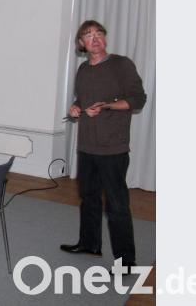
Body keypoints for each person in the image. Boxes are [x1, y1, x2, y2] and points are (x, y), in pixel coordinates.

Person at [60, 20, 146, 269]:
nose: (94, 38)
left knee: (117, 205)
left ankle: (126, 262)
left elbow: (138, 99)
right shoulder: (83, 70)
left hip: (113, 148)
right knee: (88, 197)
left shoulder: (122, 64)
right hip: (87, 146)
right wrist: (76, 107)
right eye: (88, 35)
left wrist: (107, 105)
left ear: (105, 39)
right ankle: (90, 244)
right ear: (81, 44)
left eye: (99, 33)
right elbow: (82, 99)